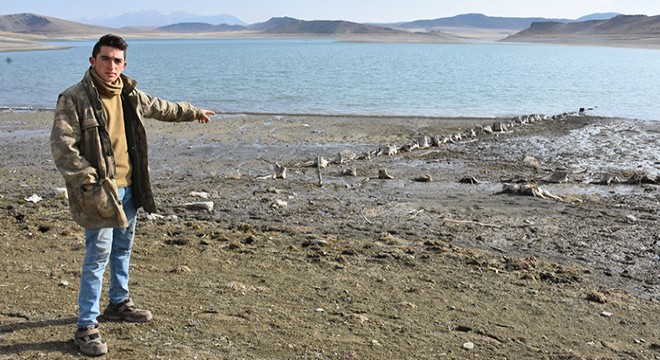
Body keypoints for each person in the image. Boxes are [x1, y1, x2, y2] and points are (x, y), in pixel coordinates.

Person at [50, 34, 215, 356]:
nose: (111, 66)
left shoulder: (129, 94)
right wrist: (89, 181)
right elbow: (62, 147)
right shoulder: (74, 98)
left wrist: (193, 111)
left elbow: (161, 107)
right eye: (105, 59)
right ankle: (86, 327)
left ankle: (119, 303)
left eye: (117, 61)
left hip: (130, 188)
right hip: (100, 192)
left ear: (124, 64)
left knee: (122, 250)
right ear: (92, 61)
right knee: (96, 257)